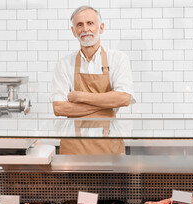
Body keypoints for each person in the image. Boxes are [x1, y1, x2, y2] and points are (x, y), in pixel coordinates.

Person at [50, 5, 136, 155]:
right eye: (79, 25)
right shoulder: (63, 64)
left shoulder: (118, 59)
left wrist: (80, 97)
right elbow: (59, 108)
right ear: (73, 31)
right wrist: (106, 103)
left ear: (101, 28)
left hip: (109, 148)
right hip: (74, 149)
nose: (85, 29)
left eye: (90, 23)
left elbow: (124, 98)